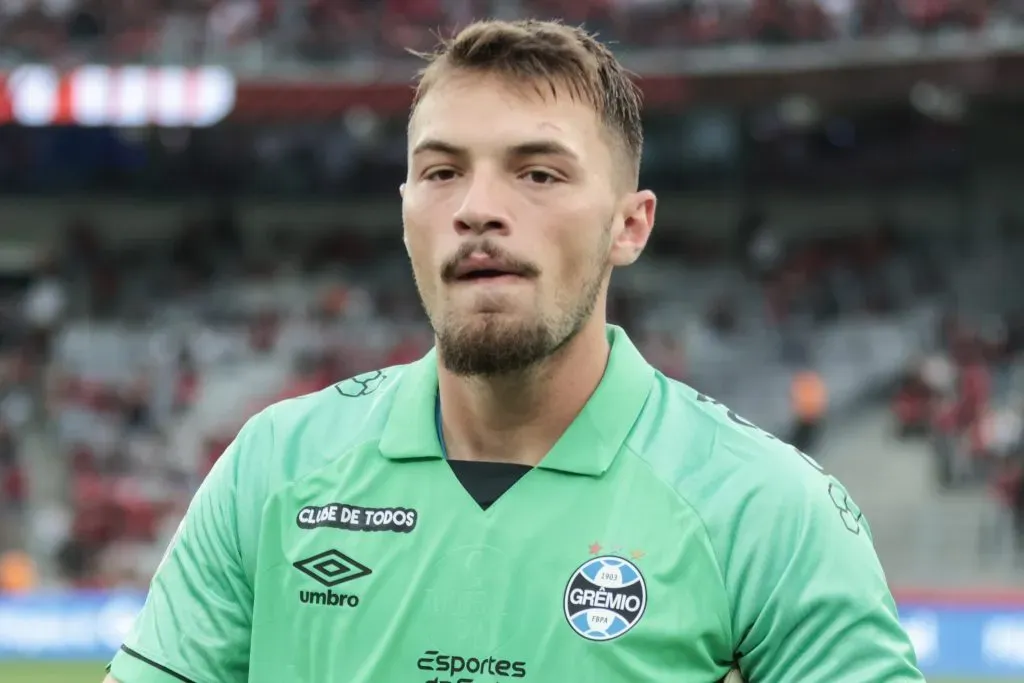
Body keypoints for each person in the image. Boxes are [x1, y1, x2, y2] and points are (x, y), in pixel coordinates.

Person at [104, 19, 923, 683]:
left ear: (629, 225)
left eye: (538, 174)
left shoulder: (767, 511)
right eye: (441, 172)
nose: (478, 208)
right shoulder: (274, 469)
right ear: (405, 213)